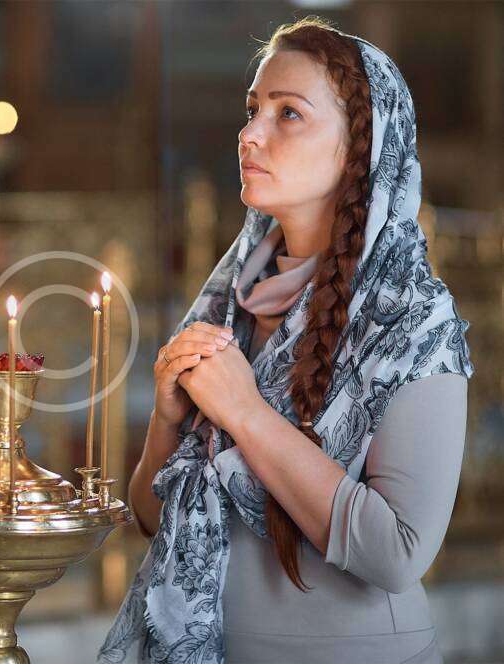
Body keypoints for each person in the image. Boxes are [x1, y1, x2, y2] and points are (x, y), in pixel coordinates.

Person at [98, 17, 474, 664]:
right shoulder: (231, 300)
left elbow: (398, 551)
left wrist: (245, 413)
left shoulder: (413, 318)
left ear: (360, 148)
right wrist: (167, 420)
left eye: (288, 114)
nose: (249, 134)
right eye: (252, 111)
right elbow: (153, 518)